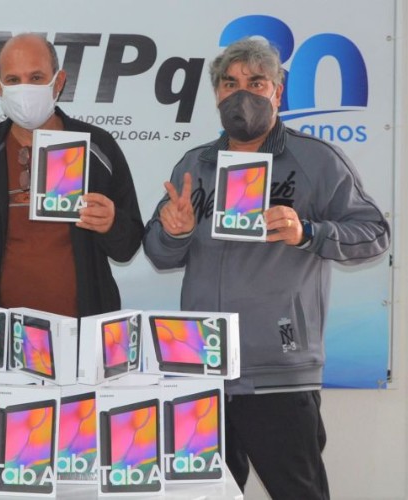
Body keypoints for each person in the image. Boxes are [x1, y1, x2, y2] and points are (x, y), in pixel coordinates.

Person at [143, 38, 389, 499]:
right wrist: (174, 232)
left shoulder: (316, 160)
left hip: (278, 371)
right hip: (201, 370)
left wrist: (308, 232)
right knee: (202, 494)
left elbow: (375, 234)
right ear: (216, 93)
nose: (242, 94)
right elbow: (158, 253)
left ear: (278, 91)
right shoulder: (195, 164)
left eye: (256, 83)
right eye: (230, 83)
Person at [0, 33, 143, 318]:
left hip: (82, 329)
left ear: (58, 82)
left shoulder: (97, 147)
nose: (25, 89)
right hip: (0, 331)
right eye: (13, 80)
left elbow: (128, 246)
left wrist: (112, 224)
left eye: (36, 78)